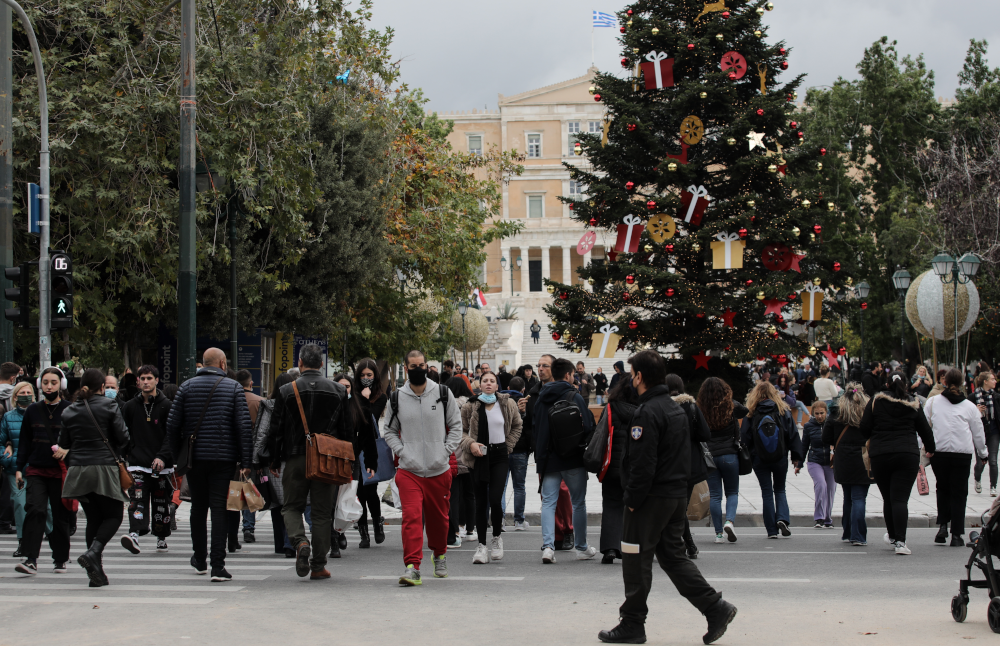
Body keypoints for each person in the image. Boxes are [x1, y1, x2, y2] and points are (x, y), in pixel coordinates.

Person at [598, 350, 736, 645]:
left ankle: (633, 623)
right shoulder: (675, 409)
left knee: (635, 559)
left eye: (632, 374)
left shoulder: (646, 412)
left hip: (650, 499)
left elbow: (642, 463)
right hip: (674, 496)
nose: (631, 380)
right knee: (673, 558)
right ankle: (715, 608)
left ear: (639, 377)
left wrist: (632, 499)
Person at [266, 344, 358, 580]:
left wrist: (274, 459)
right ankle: (318, 565)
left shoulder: (286, 390)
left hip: (295, 457)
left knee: (291, 507)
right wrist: (349, 463)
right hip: (327, 460)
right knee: (321, 513)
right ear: (321, 364)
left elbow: (276, 429)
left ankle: (299, 542)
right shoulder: (339, 391)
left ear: (300, 363)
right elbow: (347, 430)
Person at [165, 348, 252, 582]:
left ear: (203, 364)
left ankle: (199, 558)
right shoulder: (234, 388)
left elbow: (172, 425)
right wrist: (246, 460)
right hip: (223, 458)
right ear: (223, 363)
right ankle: (218, 566)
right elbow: (243, 426)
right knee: (219, 509)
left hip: (194, 459)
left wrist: (178, 455)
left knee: (198, 507)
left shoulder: (186, 387)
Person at [384, 350, 462, 586]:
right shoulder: (396, 398)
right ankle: (412, 567)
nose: (418, 369)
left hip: (439, 470)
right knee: (412, 518)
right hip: (409, 471)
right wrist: (403, 451)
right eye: (413, 366)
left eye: (422, 365)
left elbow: (456, 425)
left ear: (427, 366)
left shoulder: (443, 393)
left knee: (439, 520)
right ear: (406, 368)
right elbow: (389, 431)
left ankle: (439, 555)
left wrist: (445, 451)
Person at [58, 369, 131, 587]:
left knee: (94, 518)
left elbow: (63, 443)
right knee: (114, 515)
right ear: (102, 387)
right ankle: (94, 552)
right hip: (104, 467)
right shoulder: (109, 405)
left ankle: (96, 573)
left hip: (78, 469)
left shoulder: (69, 410)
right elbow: (123, 437)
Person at [859, 371, 935, 555]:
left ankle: (893, 536)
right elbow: (925, 430)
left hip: (881, 454)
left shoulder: (876, 401)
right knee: (900, 499)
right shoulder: (913, 403)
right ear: (906, 384)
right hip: (907, 454)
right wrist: (931, 449)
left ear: (887, 384)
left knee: (888, 498)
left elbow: (864, 428)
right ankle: (901, 542)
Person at [534, 357, 596, 563]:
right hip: (572, 457)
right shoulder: (574, 396)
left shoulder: (541, 397)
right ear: (568, 375)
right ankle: (582, 547)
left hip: (548, 458)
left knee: (548, 503)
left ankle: (548, 547)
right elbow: (588, 426)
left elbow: (537, 428)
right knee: (578, 503)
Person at [14, 367, 72, 575]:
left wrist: (67, 450)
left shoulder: (70, 409)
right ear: (40, 384)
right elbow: (24, 442)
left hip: (60, 472)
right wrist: (19, 469)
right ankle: (30, 559)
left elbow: (77, 439)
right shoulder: (32, 410)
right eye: (45, 382)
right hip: (36, 470)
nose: (49, 386)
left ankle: (60, 558)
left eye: (53, 382)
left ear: (61, 385)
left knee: (60, 516)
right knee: (35, 510)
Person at [459, 372, 522, 564]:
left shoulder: (507, 403)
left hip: (500, 455)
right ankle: (481, 545)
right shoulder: (470, 405)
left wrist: (508, 446)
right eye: (485, 381)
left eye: (492, 381)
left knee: (495, 499)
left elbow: (517, 426)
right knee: (480, 502)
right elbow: (460, 431)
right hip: (478, 456)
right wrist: (470, 444)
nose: (488, 383)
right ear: (480, 385)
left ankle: (496, 538)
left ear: (497, 385)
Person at [518, 355, 576, 549]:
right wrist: (523, 413)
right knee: (548, 495)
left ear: (554, 369)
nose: (540, 369)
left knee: (563, 492)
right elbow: (530, 425)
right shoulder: (533, 394)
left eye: (545, 366)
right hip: (543, 451)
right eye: (539, 366)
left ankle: (568, 530)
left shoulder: (566, 392)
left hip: (564, 450)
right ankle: (556, 535)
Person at [925, 369, 986, 546]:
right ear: (962, 383)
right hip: (962, 454)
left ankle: (943, 525)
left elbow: (924, 426)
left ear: (944, 382)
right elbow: (978, 433)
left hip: (939, 452)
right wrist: (983, 453)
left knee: (943, 488)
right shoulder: (969, 407)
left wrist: (925, 447)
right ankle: (957, 534)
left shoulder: (933, 402)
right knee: (959, 493)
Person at [119, 365, 173, 554]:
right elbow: (124, 432)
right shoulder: (130, 406)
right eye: (142, 378)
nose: (146, 382)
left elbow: (171, 435)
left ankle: (161, 536)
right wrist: (124, 455)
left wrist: (163, 456)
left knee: (161, 502)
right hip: (137, 463)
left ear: (157, 380)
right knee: (137, 499)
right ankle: (134, 533)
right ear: (138, 381)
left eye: (149, 378)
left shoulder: (167, 406)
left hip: (161, 465)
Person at [740, 380, 803, 539]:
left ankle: (771, 530)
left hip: (759, 458)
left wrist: (747, 457)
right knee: (780, 489)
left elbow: (744, 438)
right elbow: (792, 434)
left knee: (766, 492)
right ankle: (782, 518)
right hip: (780, 457)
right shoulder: (783, 410)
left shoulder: (751, 413)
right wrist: (796, 457)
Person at [332, 373, 379, 554]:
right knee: (332, 499)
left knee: (349, 496)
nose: (344, 390)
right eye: (340, 386)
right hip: (332, 459)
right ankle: (335, 537)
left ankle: (341, 528)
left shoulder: (358, 406)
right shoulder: (329, 406)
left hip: (352, 459)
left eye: (347, 386)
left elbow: (368, 436)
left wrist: (371, 462)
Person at [666, 373, 711, 559]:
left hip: (670, 464)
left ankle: (685, 544)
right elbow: (705, 434)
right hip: (690, 463)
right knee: (681, 506)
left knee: (675, 507)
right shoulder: (691, 406)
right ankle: (688, 544)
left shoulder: (662, 407)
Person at [699, 377, 747, 544]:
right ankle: (730, 522)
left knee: (715, 495)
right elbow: (745, 411)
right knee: (732, 492)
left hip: (710, 456)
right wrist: (729, 399)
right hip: (730, 454)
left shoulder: (701, 409)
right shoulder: (730, 406)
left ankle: (718, 534)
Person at [823, 383, 872, 545]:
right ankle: (858, 535)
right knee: (859, 497)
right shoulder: (868, 413)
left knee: (848, 497)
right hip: (863, 457)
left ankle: (848, 532)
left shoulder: (837, 414)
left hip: (843, 458)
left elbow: (826, 438)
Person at [1, 382, 44, 557]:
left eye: (28, 392)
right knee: (20, 504)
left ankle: (54, 541)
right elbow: (2, 440)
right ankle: (23, 541)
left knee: (45, 507)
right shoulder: (8, 417)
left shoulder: (40, 414)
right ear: (15, 396)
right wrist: (6, 458)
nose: (25, 395)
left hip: (38, 467)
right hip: (15, 468)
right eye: (22, 392)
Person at [598, 377, 637, 564]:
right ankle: (630, 548)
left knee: (611, 505)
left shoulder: (610, 408)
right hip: (634, 466)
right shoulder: (643, 410)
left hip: (611, 464)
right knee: (633, 507)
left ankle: (610, 548)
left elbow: (600, 432)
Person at [355, 358, 388, 548]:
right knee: (358, 492)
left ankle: (377, 523)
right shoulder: (353, 395)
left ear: (375, 376)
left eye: (369, 375)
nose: (366, 378)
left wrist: (365, 399)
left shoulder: (380, 397)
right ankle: (363, 533)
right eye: (362, 375)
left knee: (371, 491)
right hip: (355, 448)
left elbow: (369, 418)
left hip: (370, 449)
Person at [446, 376, 475, 545]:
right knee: (470, 494)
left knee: (453, 495)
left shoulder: (446, 405)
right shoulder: (472, 405)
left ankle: (455, 530)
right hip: (469, 452)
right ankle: (470, 529)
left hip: (452, 455)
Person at [797, 401, 834, 528]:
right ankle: (819, 518)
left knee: (830, 490)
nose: (819, 416)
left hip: (830, 462)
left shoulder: (832, 424)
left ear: (826, 412)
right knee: (821, 485)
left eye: (822, 413)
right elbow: (804, 445)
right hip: (815, 460)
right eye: (816, 413)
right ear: (813, 413)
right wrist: (799, 464)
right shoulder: (809, 426)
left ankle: (828, 519)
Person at [500, 376, 530, 531]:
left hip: (503, 448)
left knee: (502, 486)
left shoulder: (500, 401)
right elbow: (528, 426)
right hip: (520, 449)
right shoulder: (525, 402)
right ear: (523, 389)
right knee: (519, 486)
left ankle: (500, 520)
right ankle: (519, 520)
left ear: (507, 387)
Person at [972, 371, 999, 495]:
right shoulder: (973, 397)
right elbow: (967, 413)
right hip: (979, 432)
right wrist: (976, 410)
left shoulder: (996, 397)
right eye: (992, 379)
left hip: (994, 431)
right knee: (981, 462)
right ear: (985, 381)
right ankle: (977, 479)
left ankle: (993, 487)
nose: (995, 381)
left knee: (993, 460)